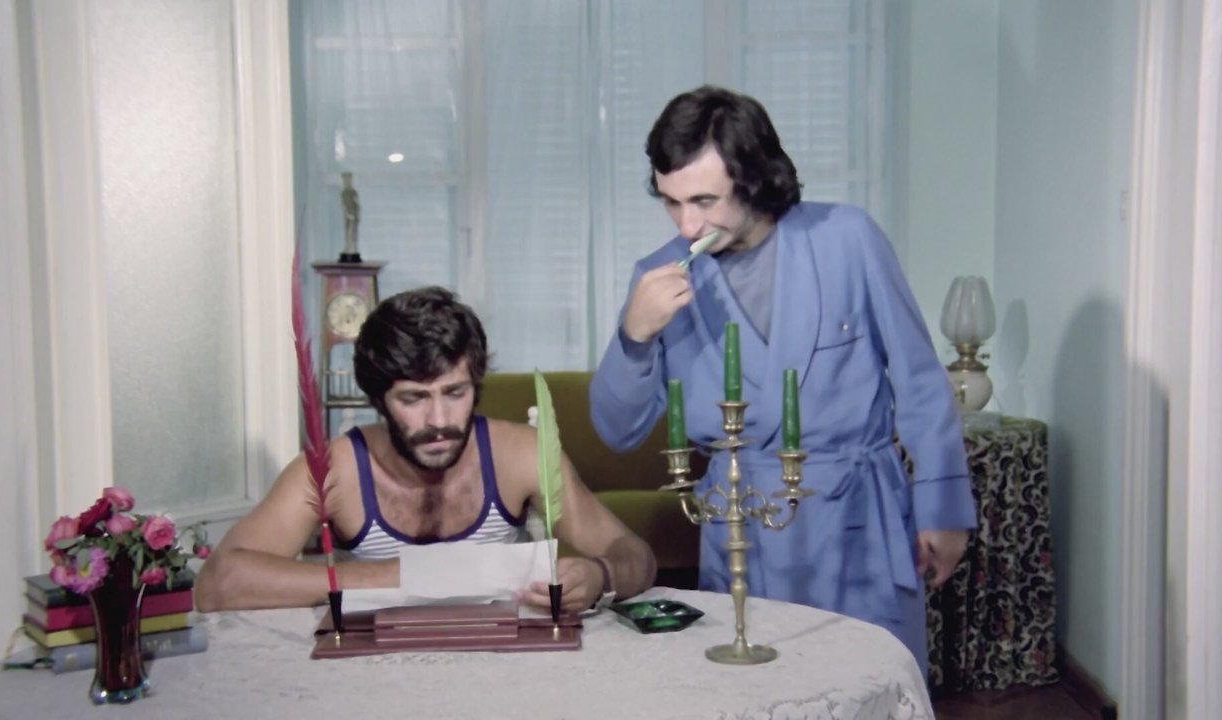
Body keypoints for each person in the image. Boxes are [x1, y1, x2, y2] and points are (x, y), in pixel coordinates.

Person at [588, 85, 976, 674]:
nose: (688, 224)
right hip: (743, 535)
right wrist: (634, 336)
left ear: (753, 178)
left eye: (704, 200)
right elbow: (616, 431)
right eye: (671, 202)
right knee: (758, 693)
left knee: (871, 687)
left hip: (859, 524)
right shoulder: (658, 276)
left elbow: (919, 380)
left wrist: (942, 508)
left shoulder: (848, 238)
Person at [197, 286, 655, 613]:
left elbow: (635, 555)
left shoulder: (520, 453)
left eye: (455, 393)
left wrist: (600, 575)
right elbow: (218, 583)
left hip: (504, 666)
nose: (438, 420)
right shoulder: (334, 468)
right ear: (379, 400)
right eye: (414, 398)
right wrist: (412, 576)